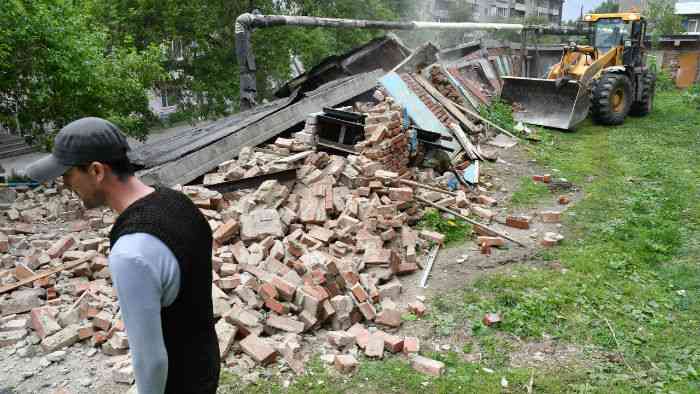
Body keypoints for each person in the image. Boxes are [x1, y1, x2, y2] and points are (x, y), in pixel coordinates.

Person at [25, 117, 220, 394]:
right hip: (205, 366)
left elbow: (150, 361)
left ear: (96, 171)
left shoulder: (131, 251)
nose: (66, 185)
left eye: (68, 175)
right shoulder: (179, 203)